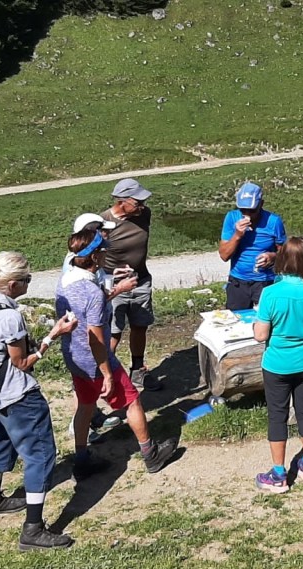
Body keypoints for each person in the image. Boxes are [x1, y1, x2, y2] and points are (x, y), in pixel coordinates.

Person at [0, 251, 77, 550]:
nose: (29, 283)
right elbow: (22, 363)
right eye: (27, 279)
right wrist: (53, 336)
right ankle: (33, 529)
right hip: (19, 395)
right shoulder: (9, 317)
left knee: (1, 439)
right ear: (13, 284)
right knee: (40, 456)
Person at [56, 229, 179, 480]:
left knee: (85, 406)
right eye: (103, 251)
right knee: (132, 402)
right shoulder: (91, 292)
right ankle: (151, 454)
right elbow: (96, 338)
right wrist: (107, 373)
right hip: (95, 360)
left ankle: (81, 460)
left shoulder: (65, 281)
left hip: (74, 357)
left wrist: (114, 284)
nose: (106, 255)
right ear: (95, 256)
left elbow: (86, 308)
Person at [252, 237, 303, 494]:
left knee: (277, 416)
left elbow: (260, 335)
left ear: (282, 260)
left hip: (278, 364)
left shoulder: (270, 293)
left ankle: (279, 474)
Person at [62, 213, 134, 444]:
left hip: (82, 346)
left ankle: (88, 430)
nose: (106, 235)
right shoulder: (78, 268)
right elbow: (89, 302)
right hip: (88, 345)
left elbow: (97, 287)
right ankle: (148, 450)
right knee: (129, 400)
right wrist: (120, 289)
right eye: (102, 231)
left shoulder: (83, 260)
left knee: (86, 393)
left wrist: (112, 277)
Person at [101, 178, 157, 390]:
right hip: (114, 286)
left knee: (140, 326)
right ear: (121, 201)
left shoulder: (144, 214)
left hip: (140, 281)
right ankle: (106, 375)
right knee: (113, 331)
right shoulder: (104, 223)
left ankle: (138, 371)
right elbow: (94, 257)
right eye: (137, 202)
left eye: (143, 202)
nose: (142, 206)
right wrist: (110, 278)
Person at [218, 182, 287, 311]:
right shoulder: (232, 217)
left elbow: (285, 253)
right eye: (243, 210)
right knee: (236, 319)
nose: (247, 214)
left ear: (261, 204)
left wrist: (273, 257)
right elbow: (224, 255)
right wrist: (237, 235)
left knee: (267, 318)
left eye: (252, 210)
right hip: (238, 281)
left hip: (265, 281)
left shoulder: (273, 221)